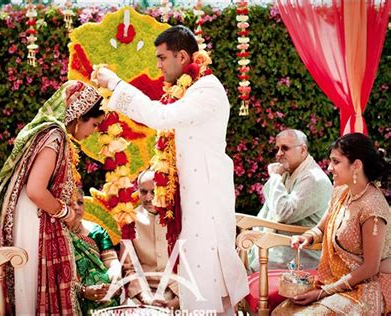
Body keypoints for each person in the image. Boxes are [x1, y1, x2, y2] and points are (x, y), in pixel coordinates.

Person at [93, 25, 248, 314]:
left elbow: (161, 117)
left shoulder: (207, 90)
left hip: (207, 197)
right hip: (191, 196)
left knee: (207, 271)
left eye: (163, 58)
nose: (158, 65)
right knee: (196, 269)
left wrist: (116, 85)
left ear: (183, 56)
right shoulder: (189, 90)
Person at [0, 80, 105, 315]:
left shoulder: (52, 134)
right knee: (34, 288)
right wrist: (67, 213)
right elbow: (36, 190)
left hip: (36, 216)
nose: (94, 132)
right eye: (95, 124)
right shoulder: (55, 136)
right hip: (35, 219)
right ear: (79, 117)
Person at [273, 133, 391, 315]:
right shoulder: (342, 192)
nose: (329, 168)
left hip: (367, 288)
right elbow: (320, 228)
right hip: (336, 280)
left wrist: (322, 293)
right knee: (282, 312)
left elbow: (370, 268)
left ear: (356, 165)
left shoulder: (372, 208)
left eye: (336, 162)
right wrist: (307, 237)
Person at [251, 129, 333, 271]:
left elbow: (282, 214)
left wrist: (275, 177)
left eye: (285, 148)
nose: (279, 154)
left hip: (300, 253)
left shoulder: (313, 178)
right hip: (281, 245)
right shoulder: (290, 172)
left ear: (303, 149)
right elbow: (268, 212)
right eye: (277, 149)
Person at [120, 169, 180, 309]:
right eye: (143, 192)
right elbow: (130, 268)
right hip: (143, 295)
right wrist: (145, 298)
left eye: (153, 192)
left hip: (179, 292)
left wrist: (179, 300)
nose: (148, 198)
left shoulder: (179, 218)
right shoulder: (129, 220)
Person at [68, 188, 121, 315]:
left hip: (103, 292)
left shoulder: (97, 231)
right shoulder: (55, 235)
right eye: (70, 203)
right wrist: (83, 291)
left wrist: (115, 283)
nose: (76, 207)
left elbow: (112, 262)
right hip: (71, 296)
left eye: (80, 202)